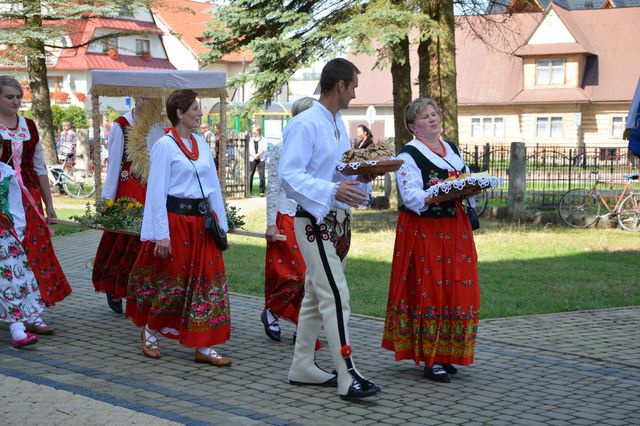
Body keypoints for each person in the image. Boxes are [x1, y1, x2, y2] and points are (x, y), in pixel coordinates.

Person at [279, 58, 381, 401]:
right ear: (340, 85)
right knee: (336, 295)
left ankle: (302, 365)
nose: (354, 93)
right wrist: (333, 190)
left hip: (335, 221)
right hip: (312, 221)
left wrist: (360, 177)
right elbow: (288, 176)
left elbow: (336, 174)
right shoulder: (305, 124)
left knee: (315, 296)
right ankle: (347, 373)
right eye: (353, 86)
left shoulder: (338, 123)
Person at [126, 89, 231, 366]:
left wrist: (221, 222)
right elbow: (156, 191)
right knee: (173, 283)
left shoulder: (202, 143)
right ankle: (150, 329)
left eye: (199, 108)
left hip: (204, 224)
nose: (199, 113)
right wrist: (161, 234)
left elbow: (213, 187)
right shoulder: (165, 146)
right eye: (194, 108)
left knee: (207, 282)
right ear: (179, 113)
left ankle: (205, 345)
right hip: (177, 223)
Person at [381, 97, 481, 383]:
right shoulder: (408, 155)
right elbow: (411, 197)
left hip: (455, 227)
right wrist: (444, 193)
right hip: (426, 230)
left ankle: (447, 351)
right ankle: (430, 356)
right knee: (430, 289)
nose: (433, 119)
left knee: (458, 287)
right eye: (425, 117)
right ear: (413, 126)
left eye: (435, 114)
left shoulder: (450, 148)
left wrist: (472, 188)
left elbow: (463, 182)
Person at [0, 75, 71, 333]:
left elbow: (40, 167)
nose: (15, 101)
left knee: (35, 251)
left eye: (18, 97)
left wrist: (50, 206)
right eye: (9, 97)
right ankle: (11, 307)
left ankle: (33, 312)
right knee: (7, 255)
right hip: (2, 197)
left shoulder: (28, 125)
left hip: (28, 197)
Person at [261, 97, 316, 342]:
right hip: (286, 216)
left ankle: (301, 329)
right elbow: (273, 187)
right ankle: (273, 309)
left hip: (310, 218)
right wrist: (271, 222)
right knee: (293, 275)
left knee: (312, 276)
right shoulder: (280, 150)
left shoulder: (316, 147)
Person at [92, 98, 149, 313]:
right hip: (128, 191)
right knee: (124, 242)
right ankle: (114, 286)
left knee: (146, 245)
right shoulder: (121, 125)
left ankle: (141, 291)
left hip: (150, 189)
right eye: (144, 98)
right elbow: (114, 165)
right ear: (136, 98)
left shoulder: (158, 125)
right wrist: (107, 201)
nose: (149, 102)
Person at [0, 160, 44, 348]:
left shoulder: (6, 173)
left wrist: (18, 232)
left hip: (3, 237)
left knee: (11, 281)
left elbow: (15, 206)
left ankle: (17, 329)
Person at [248, 125, 266, 196]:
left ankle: (261, 191)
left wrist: (258, 155)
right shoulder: (250, 140)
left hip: (261, 159)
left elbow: (264, 149)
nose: (253, 134)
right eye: (252, 132)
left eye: (254, 132)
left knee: (261, 176)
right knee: (250, 175)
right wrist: (254, 156)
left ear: (258, 132)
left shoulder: (263, 140)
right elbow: (249, 149)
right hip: (252, 159)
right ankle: (249, 191)